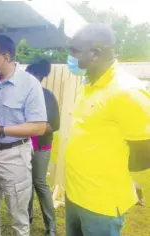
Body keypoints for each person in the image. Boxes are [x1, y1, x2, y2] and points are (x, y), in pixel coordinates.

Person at [65, 23, 150, 236]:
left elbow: (146, 150)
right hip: (74, 194)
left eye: (74, 50)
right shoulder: (89, 84)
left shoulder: (127, 92)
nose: (70, 56)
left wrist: (122, 176)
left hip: (101, 204)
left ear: (95, 54)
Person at [0, 35, 47, 236]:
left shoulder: (30, 84)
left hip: (15, 155)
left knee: (18, 216)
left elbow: (39, 127)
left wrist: (2, 130)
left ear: (6, 56)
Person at [26, 59, 60, 236]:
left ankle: (51, 226)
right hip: (23, 147)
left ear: (38, 76)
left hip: (41, 147)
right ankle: (27, 218)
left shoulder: (48, 96)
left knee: (39, 182)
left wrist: (35, 128)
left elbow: (54, 124)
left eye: (30, 74)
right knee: (26, 184)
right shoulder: (24, 95)